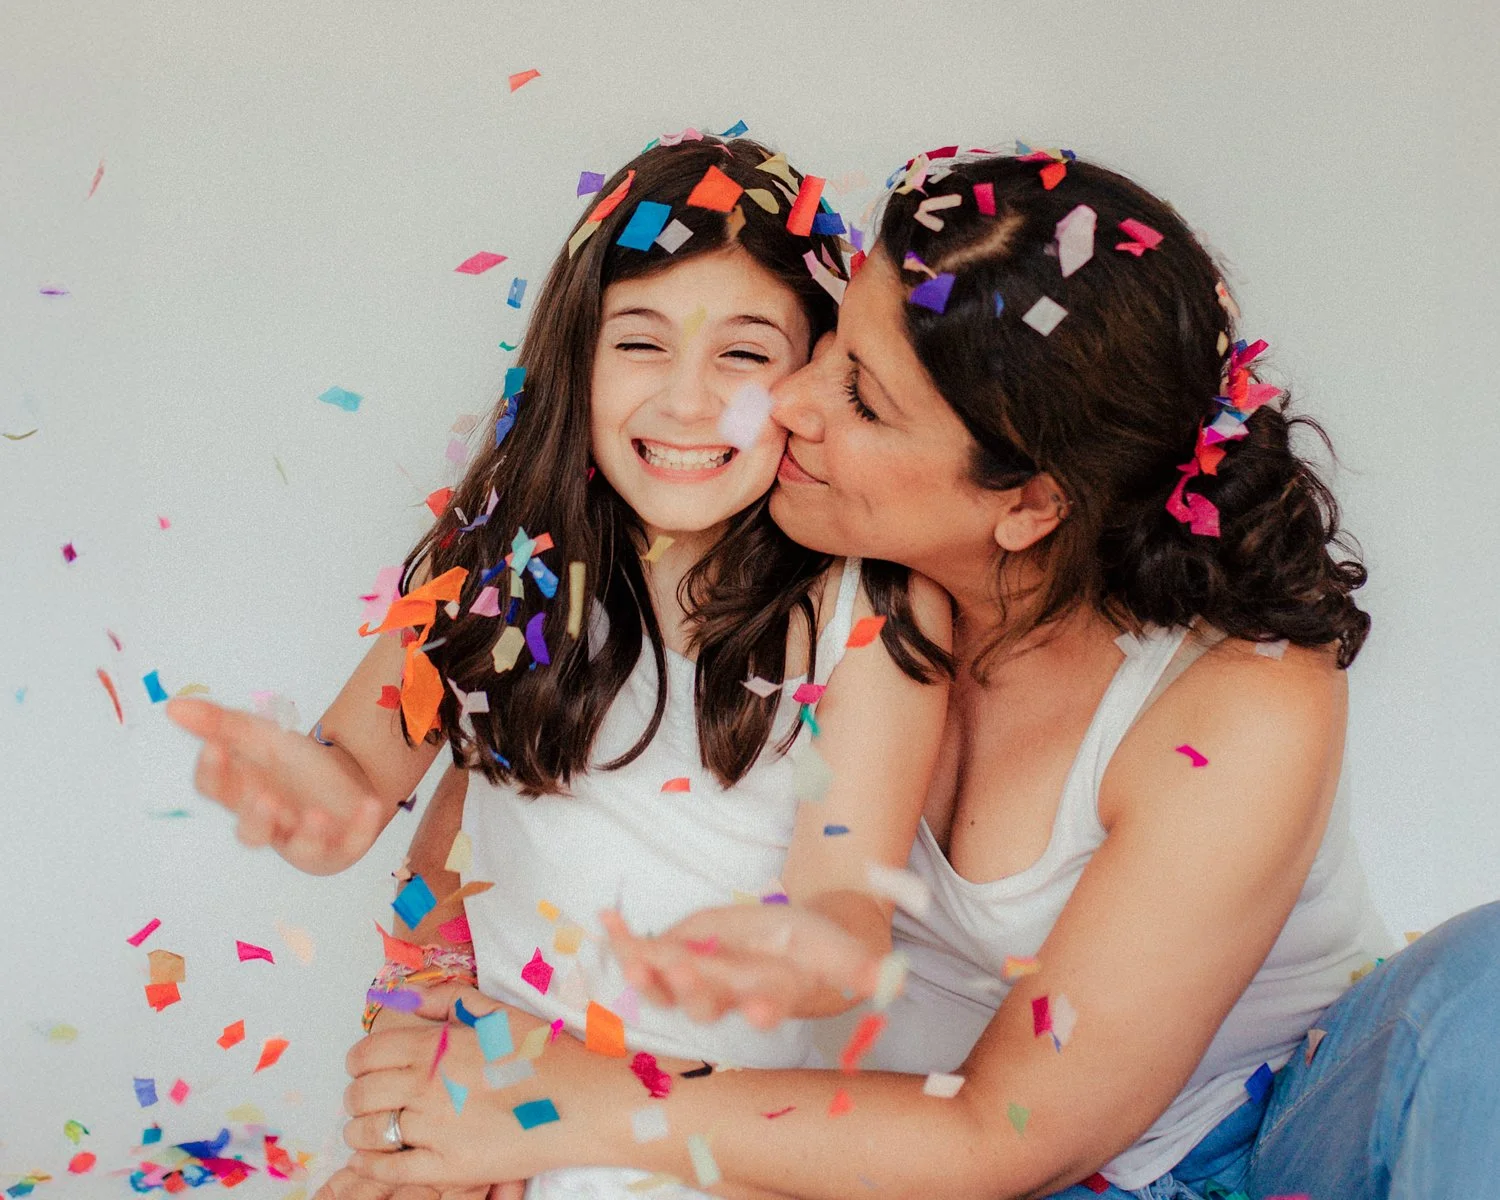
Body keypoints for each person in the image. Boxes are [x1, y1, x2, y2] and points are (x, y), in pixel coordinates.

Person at [330, 149, 1500, 1200]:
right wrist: (439, 1067)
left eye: (863, 398)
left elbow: (1009, 1136)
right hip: (889, 1153)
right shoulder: (777, 556)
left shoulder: (1240, 703)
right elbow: (520, 731)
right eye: (833, 343)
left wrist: (575, 1105)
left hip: (1268, 1144)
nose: (785, 397)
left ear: (1029, 502)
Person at [164, 136, 951, 1199]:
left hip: (701, 1133)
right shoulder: (488, 558)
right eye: (641, 342)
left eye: (743, 354)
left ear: (812, 374)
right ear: (576, 354)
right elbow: (353, 782)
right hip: (480, 1107)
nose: (686, 401)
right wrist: (314, 798)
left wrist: (786, 956)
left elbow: (847, 913)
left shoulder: (873, 611)